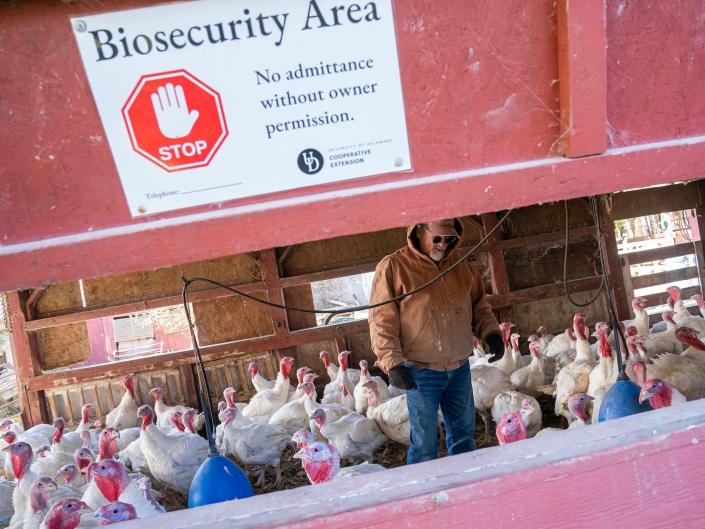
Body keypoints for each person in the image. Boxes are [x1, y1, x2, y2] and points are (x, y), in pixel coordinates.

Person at [368, 218, 504, 464]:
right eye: (438, 238)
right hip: (421, 371)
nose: (443, 245)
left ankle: (465, 488)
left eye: (450, 239)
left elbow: (479, 306)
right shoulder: (394, 267)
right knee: (424, 444)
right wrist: (392, 362)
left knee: (464, 436)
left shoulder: (462, 264)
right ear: (419, 230)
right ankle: (426, 497)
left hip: (460, 367)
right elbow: (381, 319)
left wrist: (492, 333)